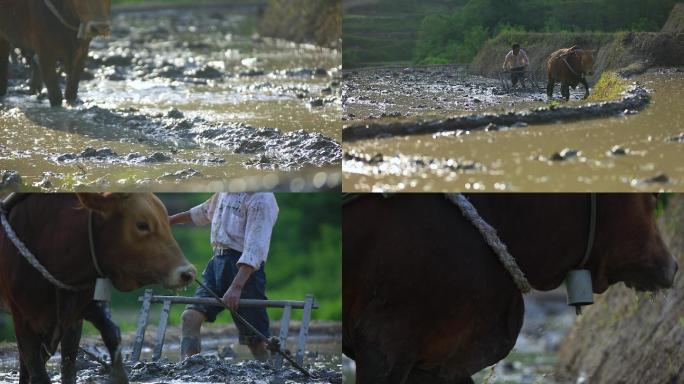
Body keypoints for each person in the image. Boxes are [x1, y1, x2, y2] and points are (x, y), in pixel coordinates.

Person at [170, 193, 279, 361]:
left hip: (245, 271)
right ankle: (188, 368)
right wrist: (169, 220)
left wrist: (236, 287)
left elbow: (255, 249)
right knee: (190, 317)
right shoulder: (226, 190)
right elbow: (204, 211)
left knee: (255, 340)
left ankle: (271, 370)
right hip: (217, 263)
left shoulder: (261, 198)